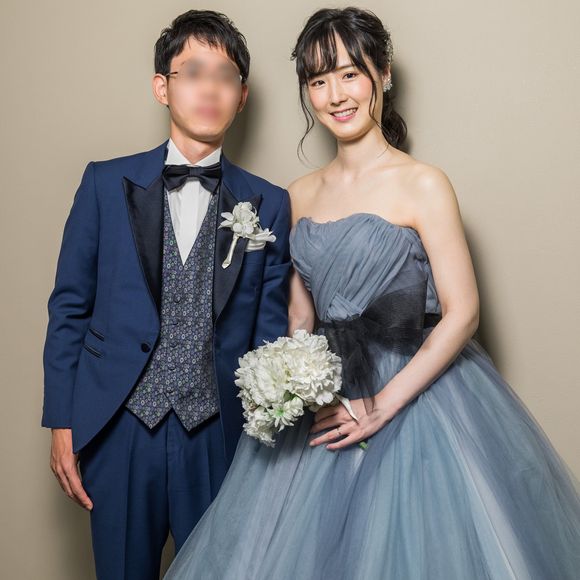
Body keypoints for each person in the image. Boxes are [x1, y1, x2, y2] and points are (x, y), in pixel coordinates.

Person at [163, 6, 580, 579]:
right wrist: (291, 385)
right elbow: (300, 317)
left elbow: (463, 313)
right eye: (318, 80)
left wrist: (380, 405)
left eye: (349, 73)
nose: (335, 95)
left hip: (420, 395)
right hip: (328, 395)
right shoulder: (298, 194)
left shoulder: (423, 183)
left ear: (382, 74)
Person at [41, 9, 291, 580]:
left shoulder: (269, 203)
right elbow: (69, 308)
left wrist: (266, 442)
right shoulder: (104, 183)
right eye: (192, 72)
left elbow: (269, 332)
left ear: (242, 96)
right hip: (119, 427)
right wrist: (62, 421)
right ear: (162, 87)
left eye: (225, 76)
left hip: (219, 434)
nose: (209, 89)